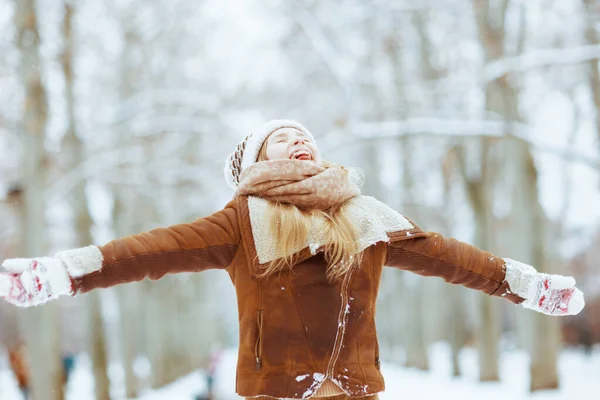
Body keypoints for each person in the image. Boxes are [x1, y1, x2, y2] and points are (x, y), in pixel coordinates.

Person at [0, 120, 585, 400]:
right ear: (256, 159)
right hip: (277, 392)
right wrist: (64, 269)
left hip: (358, 390)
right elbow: (154, 249)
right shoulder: (241, 221)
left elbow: (453, 258)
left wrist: (527, 286)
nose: (299, 141)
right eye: (281, 138)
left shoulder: (366, 216)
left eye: (304, 136)